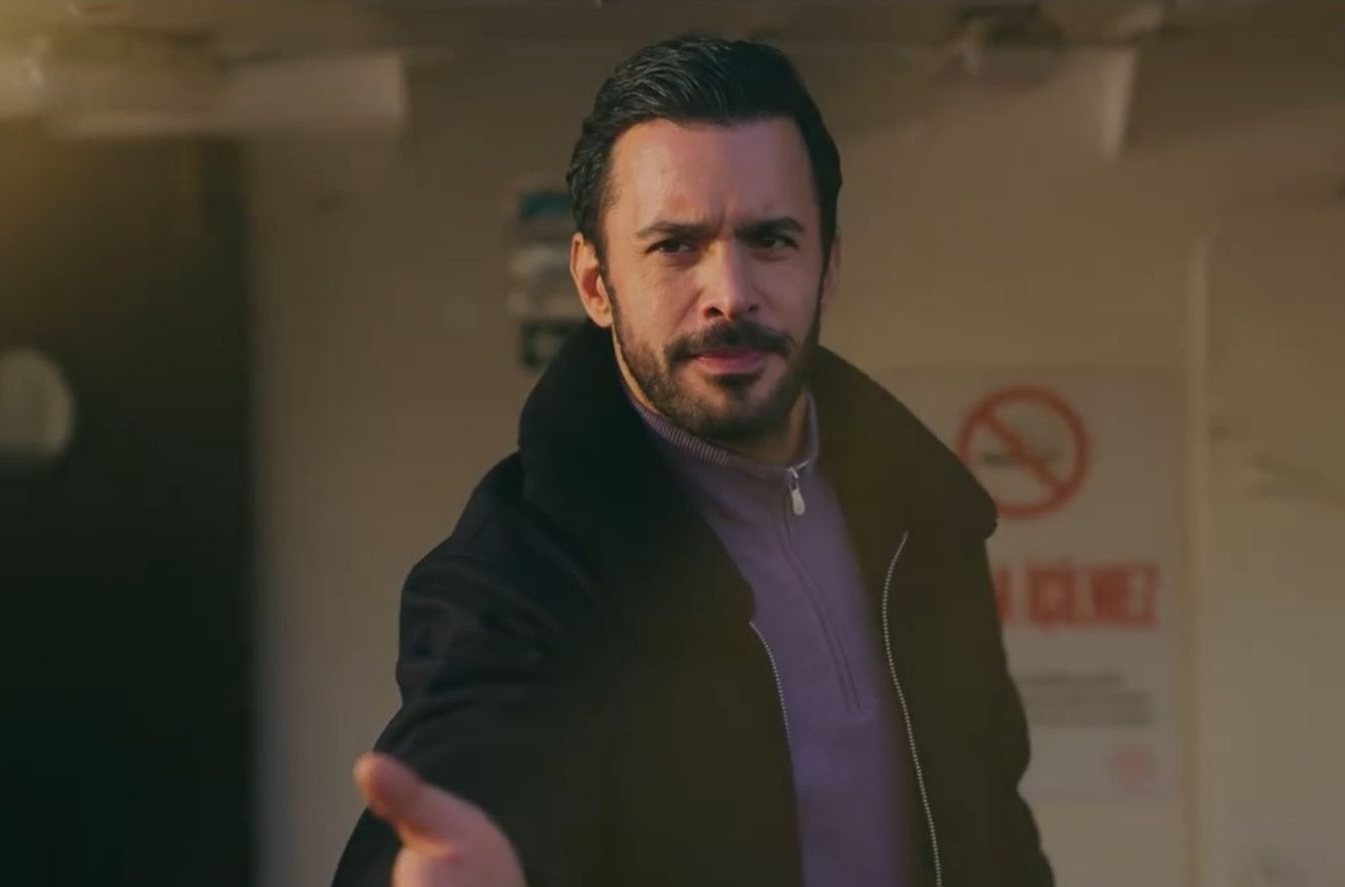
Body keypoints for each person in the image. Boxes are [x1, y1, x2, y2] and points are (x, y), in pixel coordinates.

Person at [332, 35, 1053, 887]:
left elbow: (994, 830)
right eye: (676, 245)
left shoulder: (924, 524)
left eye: (771, 240)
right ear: (594, 284)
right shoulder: (519, 575)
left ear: (827, 268)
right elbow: (472, 760)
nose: (730, 293)